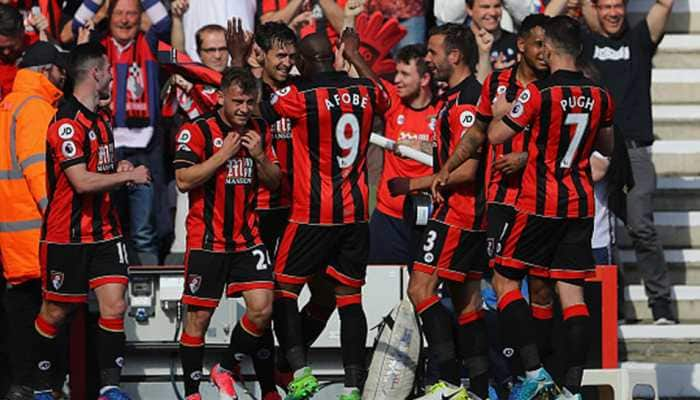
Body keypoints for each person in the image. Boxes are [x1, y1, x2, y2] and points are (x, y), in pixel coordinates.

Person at [435, 16, 615, 399]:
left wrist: (510, 119)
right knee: (572, 295)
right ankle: (569, 387)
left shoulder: (537, 94)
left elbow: (496, 134)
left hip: (537, 203)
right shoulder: (601, 94)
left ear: (549, 48)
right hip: (576, 204)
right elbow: (608, 146)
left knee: (507, 282)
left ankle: (534, 374)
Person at [262, 31, 390, 400]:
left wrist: (242, 62)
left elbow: (259, 105)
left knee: (283, 291)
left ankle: (298, 372)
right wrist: (354, 55)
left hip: (311, 215)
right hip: (355, 216)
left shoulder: (301, 97)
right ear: (334, 57)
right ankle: (353, 388)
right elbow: (385, 97)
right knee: (350, 301)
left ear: (301, 62)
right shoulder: (365, 92)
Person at [31, 41, 152, 400]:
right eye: (107, 70)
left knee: (115, 304)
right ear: (95, 72)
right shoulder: (66, 122)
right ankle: (40, 385)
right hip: (66, 235)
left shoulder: (100, 119)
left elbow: (97, 170)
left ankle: (110, 387)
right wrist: (128, 177)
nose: (112, 78)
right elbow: (81, 181)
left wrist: (118, 168)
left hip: (105, 233)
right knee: (55, 312)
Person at [388, 23, 489, 400]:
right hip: (468, 215)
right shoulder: (457, 96)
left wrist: (412, 184)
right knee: (467, 303)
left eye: (432, 53)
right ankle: (477, 387)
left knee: (420, 288)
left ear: (455, 55)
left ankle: (445, 380)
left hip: (459, 213)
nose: (428, 60)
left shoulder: (466, 103)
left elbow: (468, 169)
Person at [174, 67, 281, 400]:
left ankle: (223, 366)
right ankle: (192, 394)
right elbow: (183, 180)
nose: (244, 109)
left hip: (248, 238)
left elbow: (276, 181)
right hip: (207, 239)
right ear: (220, 97)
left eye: (250, 102)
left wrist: (260, 155)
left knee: (263, 309)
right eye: (237, 101)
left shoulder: (260, 130)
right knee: (198, 320)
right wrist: (223, 155)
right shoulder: (196, 130)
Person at [580, 0, 676, 324]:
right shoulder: (583, 43)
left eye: (618, 5)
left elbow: (664, 4)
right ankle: (614, 310)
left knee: (640, 226)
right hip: (596, 150)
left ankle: (661, 308)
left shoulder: (639, 39)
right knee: (600, 233)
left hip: (634, 151)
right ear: (591, 8)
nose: (613, 12)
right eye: (605, 6)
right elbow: (547, 19)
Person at [73, 0, 170, 265]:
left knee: (148, 228)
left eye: (131, 13)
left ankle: (149, 291)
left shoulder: (148, 43)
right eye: (118, 13)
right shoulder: (99, 48)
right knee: (109, 222)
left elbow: (163, 21)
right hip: (109, 143)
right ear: (109, 16)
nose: (125, 20)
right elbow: (77, 24)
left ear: (140, 17)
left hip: (146, 147)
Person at [0, 40, 65, 400]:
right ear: (45, 72)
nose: (63, 74)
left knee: (19, 325)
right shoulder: (37, 108)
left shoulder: (8, 105)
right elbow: (40, 173)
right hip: (38, 238)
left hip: (12, 242)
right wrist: (61, 223)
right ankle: (41, 389)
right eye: (59, 68)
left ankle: (24, 386)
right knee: (45, 325)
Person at [365, 44, 437, 265]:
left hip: (430, 216)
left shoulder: (443, 109)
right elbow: (367, 80)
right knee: (381, 289)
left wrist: (422, 148)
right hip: (388, 217)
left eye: (405, 74)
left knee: (424, 289)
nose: (396, 80)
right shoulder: (394, 103)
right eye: (396, 72)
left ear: (424, 79)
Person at [181, 0, 256, 63]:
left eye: (223, 48)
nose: (217, 55)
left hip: (244, 62)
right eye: (211, 50)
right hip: (194, 66)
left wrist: (238, 59)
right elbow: (179, 54)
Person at [466, 0, 518, 81]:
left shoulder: (517, 43)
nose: (493, 13)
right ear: (469, 9)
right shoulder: (460, 44)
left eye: (497, 6)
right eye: (485, 7)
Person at [0, 5, 26, 101]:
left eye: (11, 46)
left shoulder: (38, 50)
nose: (6, 52)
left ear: (22, 33)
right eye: (1, 48)